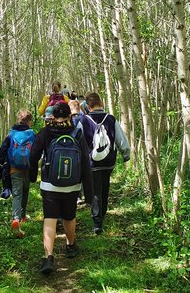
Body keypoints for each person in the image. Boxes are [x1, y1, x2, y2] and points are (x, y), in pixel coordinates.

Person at [28, 102, 92, 275]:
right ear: (70, 115)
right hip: (72, 185)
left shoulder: (46, 132)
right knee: (69, 216)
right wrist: (89, 191)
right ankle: (70, 246)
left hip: (49, 184)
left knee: (50, 218)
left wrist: (33, 176)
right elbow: (86, 162)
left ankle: (49, 257)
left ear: (53, 116)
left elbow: (33, 155)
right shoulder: (77, 132)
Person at [78, 92, 130, 235]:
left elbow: (77, 140)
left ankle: (97, 222)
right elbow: (121, 140)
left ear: (88, 106)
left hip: (91, 163)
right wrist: (126, 154)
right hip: (108, 161)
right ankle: (103, 214)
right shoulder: (111, 119)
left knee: (95, 191)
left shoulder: (84, 121)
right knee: (105, 187)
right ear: (101, 103)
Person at [0, 109, 35, 238]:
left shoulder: (11, 134)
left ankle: (16, 219)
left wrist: (0, 166)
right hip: (28, 169)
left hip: (14, 170)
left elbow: (2, 151)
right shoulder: (31, 134)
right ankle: (23, 216)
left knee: (17, 194)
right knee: (25, 191)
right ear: (29, 122)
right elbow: (36, 151)